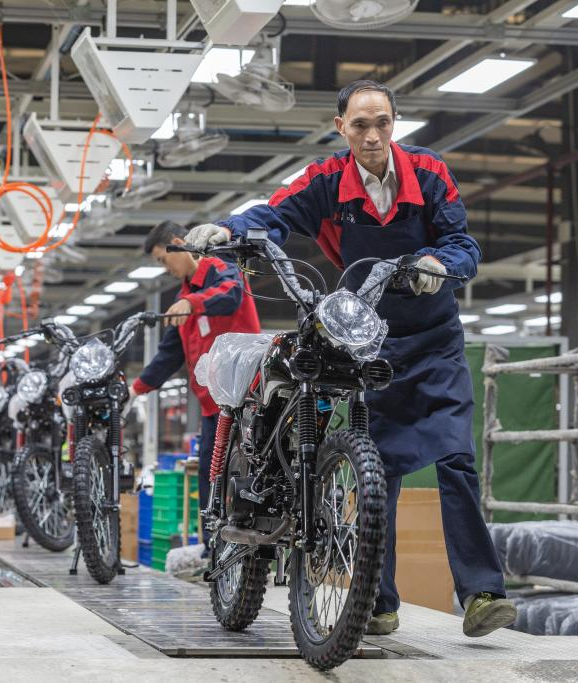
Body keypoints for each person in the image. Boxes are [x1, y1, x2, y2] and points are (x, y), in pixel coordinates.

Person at [186, 79, 515, 637]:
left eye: (382, 123)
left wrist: (438, 263)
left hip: (435, 339)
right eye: (360, 125)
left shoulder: (428, 172)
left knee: (457, 458)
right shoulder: (326, 180)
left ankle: (482, 593)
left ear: (394, 123)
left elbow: (463, 244)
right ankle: (377, 602)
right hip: (370, 340)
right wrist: (228, 229)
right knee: (377, 470)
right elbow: (276, 214)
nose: (372, 136)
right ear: (341, 128)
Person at [129, 221, 261, 560]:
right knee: (209, 474)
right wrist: (135, 389)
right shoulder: (183, 299)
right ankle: (212, 549)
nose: (165, 268)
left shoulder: (222, 270)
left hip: (244, 398)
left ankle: (251, 550)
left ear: (178, 243)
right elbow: (169, 354)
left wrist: (194, 303)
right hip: (211, 406)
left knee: (244, 473)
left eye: (163, 259)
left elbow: (231, 294)